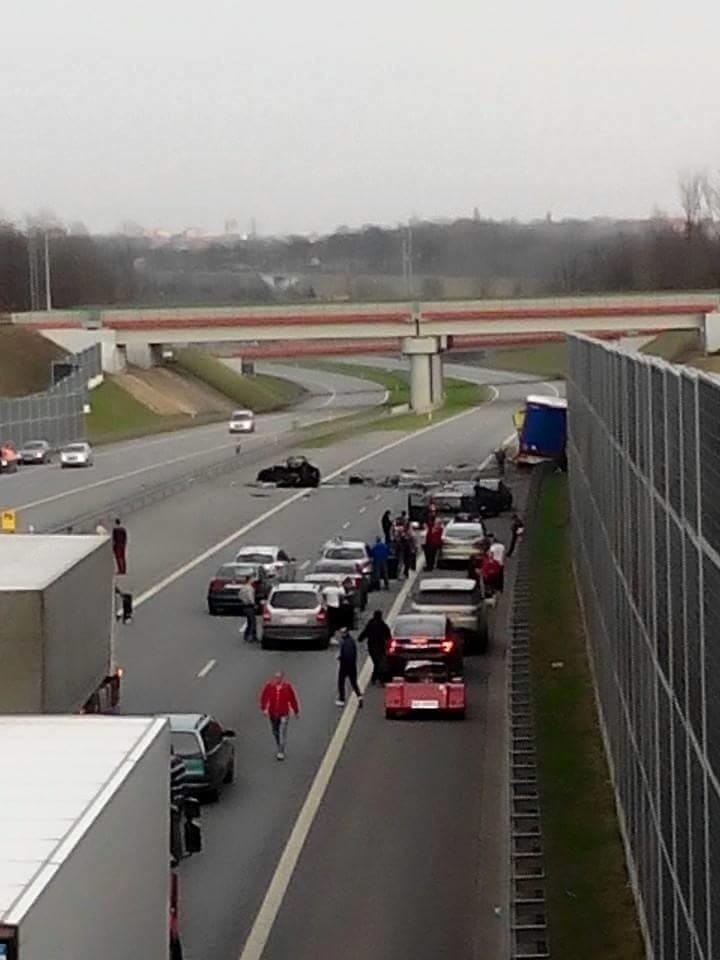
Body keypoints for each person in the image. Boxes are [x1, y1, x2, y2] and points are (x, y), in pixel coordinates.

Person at [259, 671, 300, 761]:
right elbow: (264, 697)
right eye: (276, 677)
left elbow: (292, 699)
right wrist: (264, 708)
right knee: (275, 731)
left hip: (284, 713)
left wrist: (296, 711)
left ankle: (281, 751)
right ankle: (279, 744)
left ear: (282, 678)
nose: (278, 679)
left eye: (279, 678)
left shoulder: (287, 687)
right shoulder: (269, 686)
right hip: (273, 713)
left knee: (282, 731)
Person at [358, 610, 391, 685]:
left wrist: (360, 638)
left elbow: (365, 632)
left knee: (376, 663)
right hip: (380, 647)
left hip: (372, 647)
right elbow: (388, 636)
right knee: (379, 663)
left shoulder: (370, 624)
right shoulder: (383, 625)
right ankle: (378, 678)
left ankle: (375, 678)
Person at [336, 626, 363, 707]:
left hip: (344, 666)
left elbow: (346, 655)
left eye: (342, 633)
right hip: (352, 666)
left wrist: (340, 658)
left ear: (346, 633)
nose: (341, 634)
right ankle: (359, 697)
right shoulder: (351, 641)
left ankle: (342, 699)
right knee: (354, 683)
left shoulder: (345, 643)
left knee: (341, 682)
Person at [235, 576, 257, 642]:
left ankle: (246, 635)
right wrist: (253, 603)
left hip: (244, 606)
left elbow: (239, 595)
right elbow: (250, 597)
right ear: (249, 580)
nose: (253, 580)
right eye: (252, 579)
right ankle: (250, 636)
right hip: (249, 606)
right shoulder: (250, 588)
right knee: (252, 622)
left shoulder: (243, 587)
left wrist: (243, 600)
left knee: (249, 621)